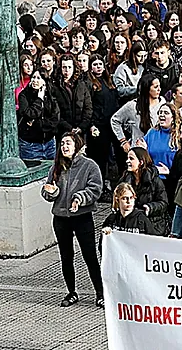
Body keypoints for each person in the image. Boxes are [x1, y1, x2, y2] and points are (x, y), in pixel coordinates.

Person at [41, 130, 104, 307]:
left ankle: (100, 293)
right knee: (66, 256)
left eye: (68, 143)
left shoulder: (89, 166)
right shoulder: (55, 167)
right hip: (61, 217)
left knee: (90, 255)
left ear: (77, 146)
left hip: (82, 216)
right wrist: (50, 192)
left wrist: (79, 198)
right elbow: (48, 191)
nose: (64, 147)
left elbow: (95, 189)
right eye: (62, 144)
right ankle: (71, 292)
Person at [118, 145, 168, 231]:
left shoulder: (154, 180)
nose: (127, 161)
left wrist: (150, 207)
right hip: (130, 223)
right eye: (127, 158)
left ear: (141, 162)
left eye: (131, 159)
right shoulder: (125, 179)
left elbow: (163, 203)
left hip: (152, 224)